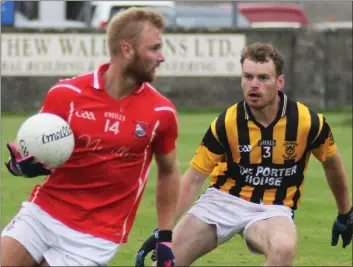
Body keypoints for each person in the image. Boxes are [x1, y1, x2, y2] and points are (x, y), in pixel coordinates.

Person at [135, 42, 352, 266]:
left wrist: (345, 213)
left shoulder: (308, 122)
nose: (253, 85)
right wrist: (163, 231)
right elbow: (193, 179)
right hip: (222, 201)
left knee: (284, 249)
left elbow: (332, 165)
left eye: (263, 78)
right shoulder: (227, 122)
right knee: (165, 262)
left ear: (280, 82)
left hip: (272, 208)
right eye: (248, 77)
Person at [2, 7, 180, 267]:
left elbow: (169, 171)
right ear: (127, 50)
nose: (161, 57)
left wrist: (165, 236)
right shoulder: (66, 93)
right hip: (42, 213)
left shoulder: (161, 112)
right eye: (154, 48)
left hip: (95, 237)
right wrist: (19, 165)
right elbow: (28, 144)